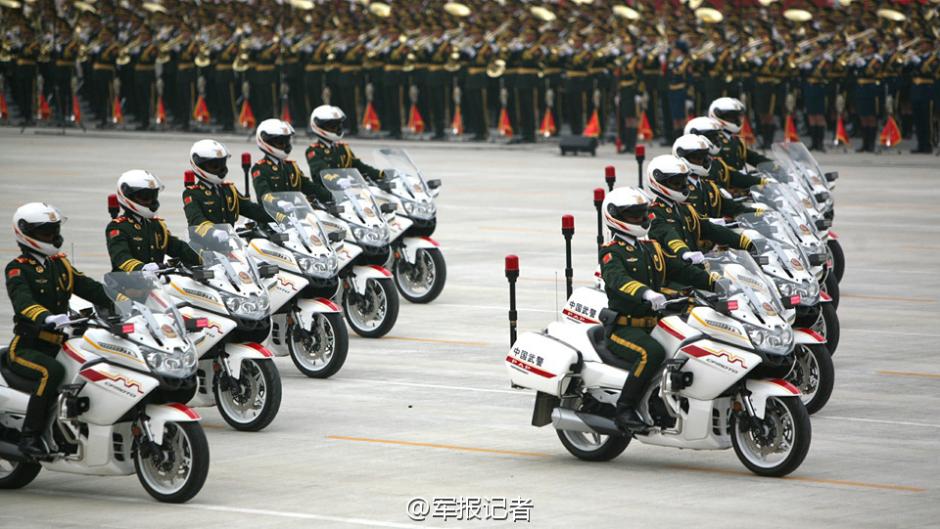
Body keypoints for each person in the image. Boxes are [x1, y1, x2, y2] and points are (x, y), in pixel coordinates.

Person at [599, 187, 718, 431]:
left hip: (655, 323)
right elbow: (617, 280)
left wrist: (714, 281)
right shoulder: (612, 252)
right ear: (616, 217)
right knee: (650, 353)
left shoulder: (650, 247)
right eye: (634, 216)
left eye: (643, 214)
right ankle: (625, 409)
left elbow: (679, 270)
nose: (642, 220)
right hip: (624, 328)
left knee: (692, 343)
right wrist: (646, 293)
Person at [6, 203, 112, 457]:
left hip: (60, 343)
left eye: (54, 231)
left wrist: (120, 297)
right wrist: (45, 317)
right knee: (52, 372)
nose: (53, 237)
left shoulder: (59, 264)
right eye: (46, 232)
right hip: (28, 348)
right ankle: (29, 437)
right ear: (26, 233)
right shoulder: (18, 268)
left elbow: (88, 287)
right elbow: (23, 302)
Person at [646, 154, 754, 262]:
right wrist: (684, 252)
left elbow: (711, 229)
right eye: (676, 183)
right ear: (658, 182)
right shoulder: (654, 213)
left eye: (683, 181)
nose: (682, 186)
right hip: (674, 274)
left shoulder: (685, 209)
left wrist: (746, 243)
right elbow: (668, 234)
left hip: (696, 270)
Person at [106, 170, 200, 272]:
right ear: (128, 197)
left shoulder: (155, 225)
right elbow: (121, 256)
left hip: (157, 283)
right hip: (128, 284)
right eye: (145, 197)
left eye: (152, 196)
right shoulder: (118, 227)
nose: (150, 201)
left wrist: (204, 258)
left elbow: (179, 248)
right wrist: (142, 268)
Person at [183, 139, 270, 235]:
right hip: (204, 247)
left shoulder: (228, 189)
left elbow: (251, 209)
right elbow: (196, 219)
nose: (220, 169)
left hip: (230, 244)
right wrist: (213, 233)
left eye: (222, 164)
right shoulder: (192, 193)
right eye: (214, 166)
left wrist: (279, 217)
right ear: (199, 165)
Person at [305, 105, 385, 202]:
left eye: (338, 125)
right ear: (319, 126)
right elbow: (321, 171)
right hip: (327, 199)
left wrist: (381, 174)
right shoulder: (313, 151)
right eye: (332, 126)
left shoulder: (343, 148)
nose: (337, 128)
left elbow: (359, 166)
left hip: (349, 194)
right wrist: (337, 180)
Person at [672, 134, 758, 221]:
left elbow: (734, 208)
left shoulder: (708, 185)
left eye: (703, 156)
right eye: (696, 157)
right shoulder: (677, 189)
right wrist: (721, 222)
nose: (701, 161)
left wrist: (760, 213)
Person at [685, 117, 766, 193]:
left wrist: (762, 181)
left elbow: (735, 177)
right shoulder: (686, 170)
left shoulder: (715, 163)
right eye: (711, 137)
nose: (716, 140)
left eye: (716, 136)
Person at [250, 118, 321, 203]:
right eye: (280, 142)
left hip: (294, 213)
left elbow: (308, 186)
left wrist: (330, 196)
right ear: (266, 141)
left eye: (286, 141)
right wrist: (278, 202)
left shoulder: (291, 166)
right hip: (272, 213)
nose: (285, 145)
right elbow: (264, 194)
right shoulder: (260, 169)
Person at [708, 98, 771, 170]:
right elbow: (723, 171)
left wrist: (774, 166)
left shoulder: (733, 139)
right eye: (730, 117)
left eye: (737, 117)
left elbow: (753, 158)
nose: (736, 120)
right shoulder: (714, 141)